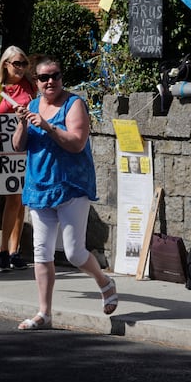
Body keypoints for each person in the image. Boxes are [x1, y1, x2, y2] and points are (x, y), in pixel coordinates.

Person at [12, 55, 118, 330]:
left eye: (55, 76)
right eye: (44, 77)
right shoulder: (32, 105)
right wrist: (23, 123)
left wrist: (47, 126)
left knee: (73, 252)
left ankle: (104, 282)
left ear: (61, 77)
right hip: (39, 186)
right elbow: (18, 145)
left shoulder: (74, 104)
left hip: (70, 185)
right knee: (41, 252)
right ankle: (44, 313)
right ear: (35, 81)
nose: (50, 81)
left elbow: (77, 143)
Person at [0, 46, 36, 271]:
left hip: (25, 144)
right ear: (5, 64)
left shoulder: (30, 86)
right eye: (17, 64)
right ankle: (4, 250)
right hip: (2, 146)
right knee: (13, 196)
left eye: (24, 64)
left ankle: (14, 250)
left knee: (21, 197)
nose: (22, 68)